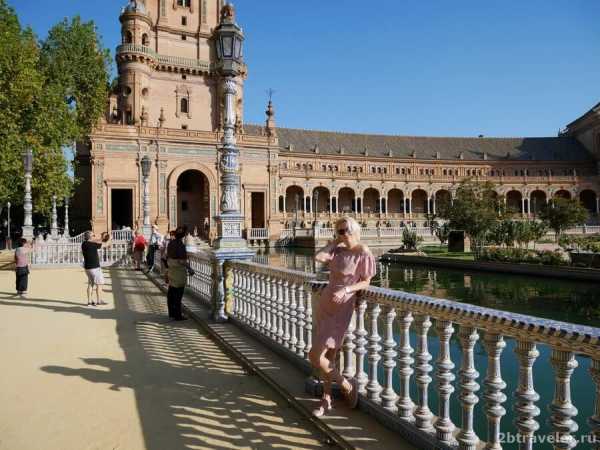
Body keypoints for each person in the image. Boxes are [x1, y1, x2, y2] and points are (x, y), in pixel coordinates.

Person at [308, 217, 376, 417]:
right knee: (328, 356)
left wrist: (347, 289)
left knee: (315, 356)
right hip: (326, 302)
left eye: (346, 230)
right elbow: (318, 257)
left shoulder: (363, 252)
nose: (344, 233)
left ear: (354, 229)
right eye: (339, 231)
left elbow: (366, 282)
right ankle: (327, 399)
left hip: (342, 305)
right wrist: (335, 242)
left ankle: (346, 385)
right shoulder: (337, 250)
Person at [166, 226, 191, 321]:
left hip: (171, 269)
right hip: (178, 271)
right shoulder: (180, 245)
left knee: (171, 292)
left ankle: (172, 313)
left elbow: (167, 256)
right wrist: (190, 268)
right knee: (178, 293)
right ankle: (177, 315)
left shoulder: (171, 243)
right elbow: (181, 261)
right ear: (183, 236)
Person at [82, 231, 111, 307]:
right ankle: (99, 301)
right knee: (99, 284)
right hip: (95, 267)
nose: (94, 236)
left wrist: (101, 238)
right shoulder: (93, 244)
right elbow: (106, 244)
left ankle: (89, 302)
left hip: (87, 268)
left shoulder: (84, 244)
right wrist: (110, 238)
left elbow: (96, 241)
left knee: (90, 284)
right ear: (90, 237)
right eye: (93, 235)